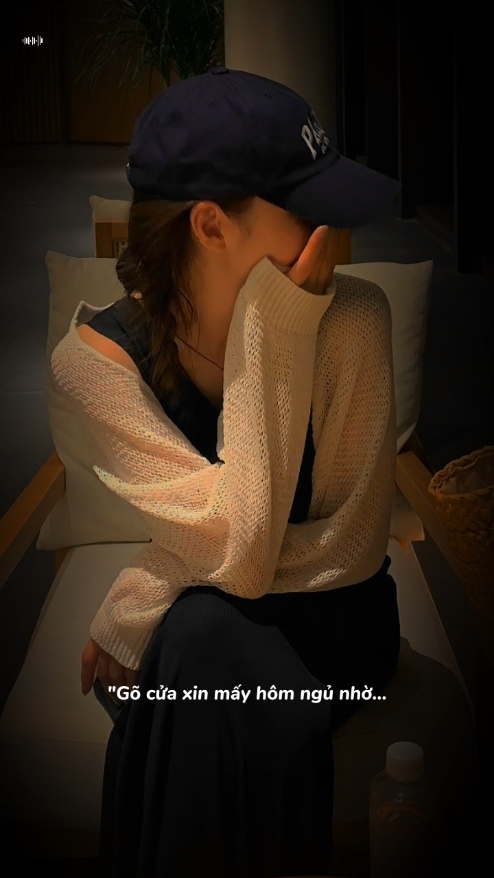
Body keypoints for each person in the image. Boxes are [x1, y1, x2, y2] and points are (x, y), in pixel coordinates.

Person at [51, 68, 402, 877]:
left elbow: (347, 552)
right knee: (205, 638)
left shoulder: (354, 320)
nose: (327, 238)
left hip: (337, 625)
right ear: (210, 223)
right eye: (305, 210)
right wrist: (273, 329)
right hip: (211, 632)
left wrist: (141, 591)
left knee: (190, 641)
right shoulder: (95, 365)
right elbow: (239, 552)